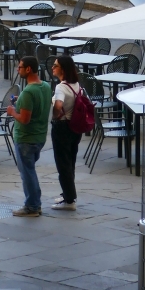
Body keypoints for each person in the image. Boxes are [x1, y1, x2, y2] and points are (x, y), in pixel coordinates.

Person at [5, 54, 53, 216]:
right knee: (29, 170)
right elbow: (38, 104)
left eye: (20, 67)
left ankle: (32, 206)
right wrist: (21, 101)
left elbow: (24, 119)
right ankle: (34, 203)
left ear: (28, 69)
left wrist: (12, 111)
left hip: (26, 138)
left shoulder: (28, 92)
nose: (18, 70)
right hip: (39, 137)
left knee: (27, 172)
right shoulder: (45, 86)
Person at [50, 54, 85, 209]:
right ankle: (68, 193)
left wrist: (55, 115)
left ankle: (69, 200)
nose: (52, 67)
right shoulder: (76, 85)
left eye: (55, 65)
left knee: (62, 164)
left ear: (62, 69)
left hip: (62, 127)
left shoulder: (60, 87)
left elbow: (58, 105)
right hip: (75, 127)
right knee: (70, 161)